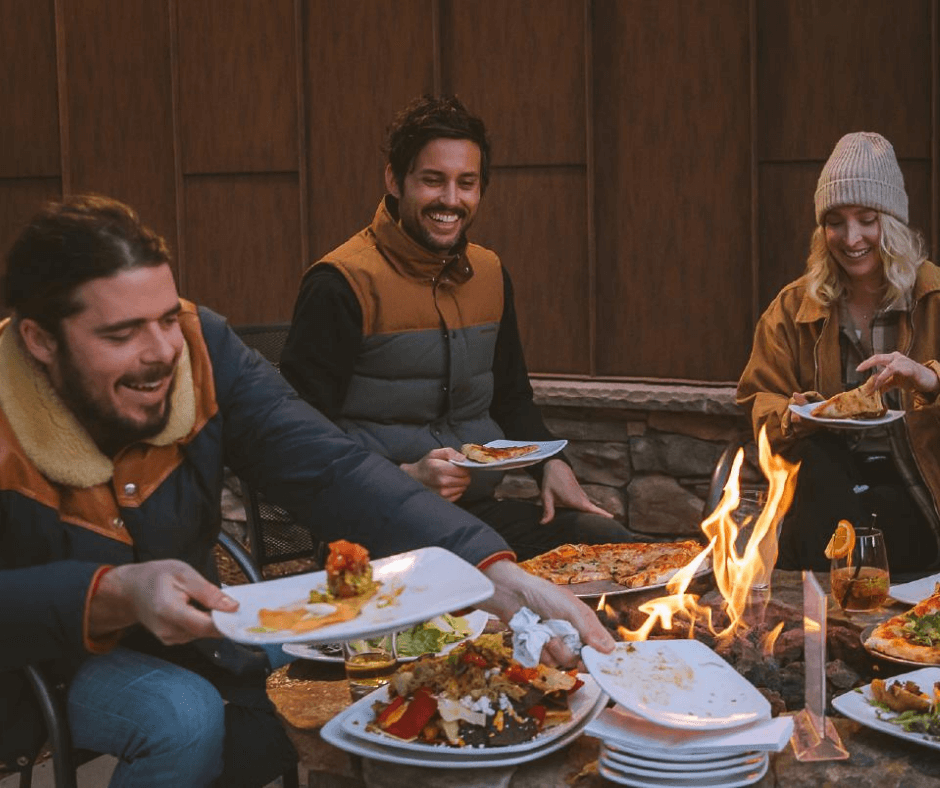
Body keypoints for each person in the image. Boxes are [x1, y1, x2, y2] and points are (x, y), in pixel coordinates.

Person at [0, 195, 616, 786]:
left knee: (351, 661)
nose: (163, 352)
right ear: (39, 341)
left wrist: (493, 574)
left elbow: (328, 467)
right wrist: (110, 594)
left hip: (196, 633)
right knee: (182, 716)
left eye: (166, 319)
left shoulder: (201, 347)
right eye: (120, 334)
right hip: (39, 662)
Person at [281, 94, 640, 562]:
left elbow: (511, 397)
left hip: (475, 518)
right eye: (433, 181)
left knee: (621, 549)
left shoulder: (489, 273)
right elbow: (298, 440)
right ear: (395, 179)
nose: (451, 200)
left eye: (466, 183)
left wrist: (552, 465)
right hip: (374, 531)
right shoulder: (341, 284)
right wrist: (407, 476)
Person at [737, 131, 940, 573]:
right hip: (827, 492)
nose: (851, 238)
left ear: (894, 221)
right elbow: (759, 398)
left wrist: (930, 380)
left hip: (920, 489)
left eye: (868, 218)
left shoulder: (934, 297)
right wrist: (792, 415)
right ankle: (820, 628)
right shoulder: (794, 307)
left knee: (891, 516)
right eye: (835, 221)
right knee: (819, 465)